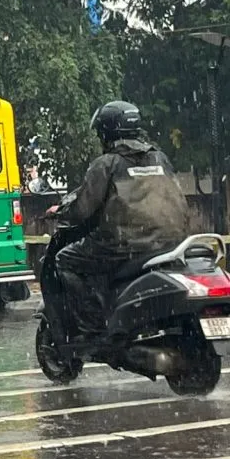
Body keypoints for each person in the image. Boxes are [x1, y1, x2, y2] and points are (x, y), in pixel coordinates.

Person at [50, 101, 189, 337]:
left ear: (106, 133)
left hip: (126, 246)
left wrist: (60, 212)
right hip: (172, 243)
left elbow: (83, 208)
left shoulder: (106, 164)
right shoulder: (160, 158)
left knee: (64, 260)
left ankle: (93, 328)